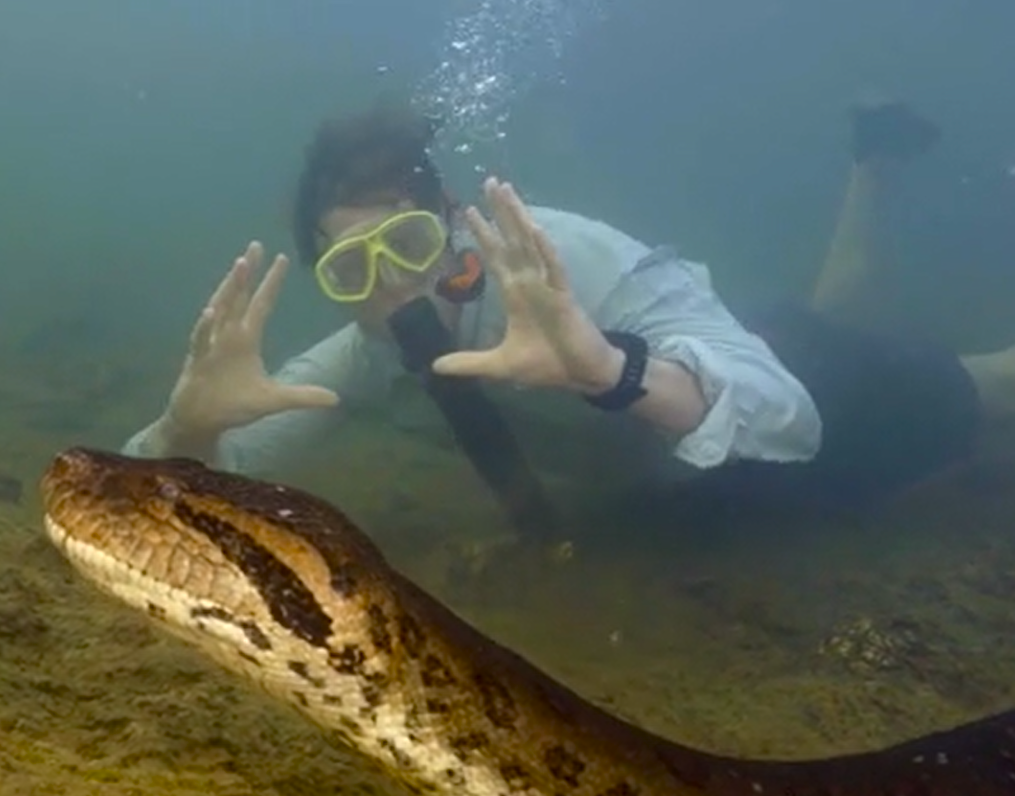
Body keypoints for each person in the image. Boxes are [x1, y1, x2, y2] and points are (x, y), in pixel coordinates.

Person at [122, 99, 1015, 516]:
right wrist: (188, 429)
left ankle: (875, 168)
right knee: (834, 303)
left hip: (823, 384)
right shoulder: (373, 353)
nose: (397, 291)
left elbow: (791, 417)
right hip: (729, 405)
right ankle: (873, 160)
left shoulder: (563, 262)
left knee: (984, 392)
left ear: (455, 229)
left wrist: (607, 369)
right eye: (355, 270)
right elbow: (168, 473)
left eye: (411, 247)